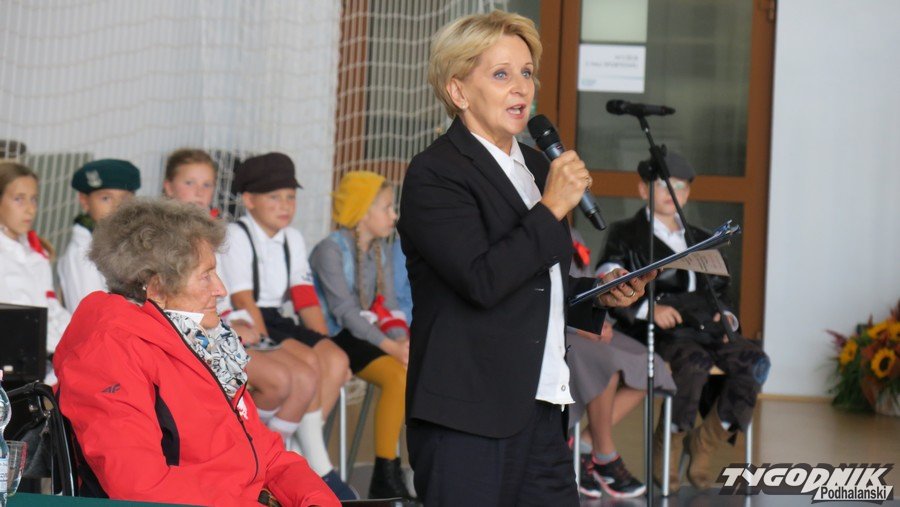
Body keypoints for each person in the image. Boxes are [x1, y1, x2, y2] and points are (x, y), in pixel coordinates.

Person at [398, 11, 654, 505]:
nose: (521, 88)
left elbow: (538, 279)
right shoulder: (436, 174)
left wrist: (599, 294)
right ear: (458, 91)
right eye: (501, 74)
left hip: (542, 406)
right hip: (468, 414)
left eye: (527, 72)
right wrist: (552, 206)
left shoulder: (537, 165)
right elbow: (482, 280)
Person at [53, 198, 339, 507]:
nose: (220, 289)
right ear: (157, 287)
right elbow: (140, 487)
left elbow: (267, 455)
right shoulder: (109, 352)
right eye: (206, 275)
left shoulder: (198, 341)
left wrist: (318, 501)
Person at [597, 151, 770, 492]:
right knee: (695, 363)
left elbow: (722, 288)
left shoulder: (702, 236)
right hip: (664, 331)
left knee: (755, 362)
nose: (671, 192)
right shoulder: (627, 234)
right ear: (643, 189)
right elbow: (609, 281)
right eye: (663, 185)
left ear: (688, 193)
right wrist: (648, 308)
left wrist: (727, 316)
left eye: (679, 187)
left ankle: (705, 441)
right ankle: (671, 440)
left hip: (708, 327)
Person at [163, 148, 320, 469]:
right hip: (184, 336)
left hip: (220, 327)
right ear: (168, 187)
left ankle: (273, 458)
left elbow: (222, 292)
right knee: (280, 380)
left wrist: (234, 321)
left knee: (306, 374)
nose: (199, 192)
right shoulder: (163, 237)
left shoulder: (212, 231)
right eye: (189, 183)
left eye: (207, 185)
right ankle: (256, 458)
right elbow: (172, 301)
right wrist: (228, 323)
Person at [217, 152, 355, 499]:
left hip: (278, 317)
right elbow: (243, 299)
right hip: (251, 318)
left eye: (290, 197)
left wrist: (324, 341)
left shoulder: (292, 237)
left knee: (336, 359)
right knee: (307, 364)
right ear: (249, 200)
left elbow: (304, 297)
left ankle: (302, 447)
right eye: (274, 197)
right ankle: (313, 464)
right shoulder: (237, 234)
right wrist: (268, 346)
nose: (285, 205)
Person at [309, 171, 413, 500]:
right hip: (334, 337)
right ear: (363, 210)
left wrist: (402, 342)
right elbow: (345, 312)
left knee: (405, 370)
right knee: (397, 376)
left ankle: (391, 469)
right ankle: (386, 470)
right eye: (387, 208)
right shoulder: (330, 250)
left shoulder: (378, 251)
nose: (393, 215)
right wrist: (390, 346)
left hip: (365, 336)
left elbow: (389, 305)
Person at [565, 228, 676, 499]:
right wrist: (581, 326)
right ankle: (605, 457)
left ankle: (582, 445)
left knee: (648, 364)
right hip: (564, 329)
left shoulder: (574, 234)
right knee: (606, 365)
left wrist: (599, 318)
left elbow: (585, 287)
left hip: (590, 322)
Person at [0, 161, 70, 362]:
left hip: (48, 357)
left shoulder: (37, 253)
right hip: (15, 363)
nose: (30, 209)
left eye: (34, 199)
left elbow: (51, 309)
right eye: (19, 199)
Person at [57, 159, 140, 311]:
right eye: (105, 198)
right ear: (84, 201)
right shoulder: (82, 252)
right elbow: (90, 314)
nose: (117, 207)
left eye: (125, 198)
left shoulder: (129, 243)